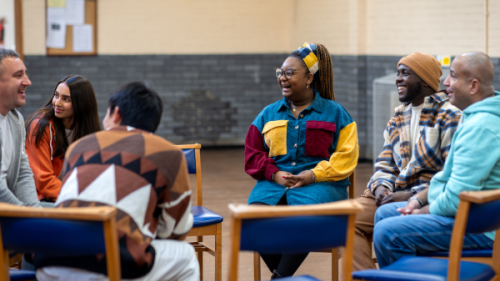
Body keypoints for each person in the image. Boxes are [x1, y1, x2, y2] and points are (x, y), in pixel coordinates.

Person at [34, 82, 199, 281]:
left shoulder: (78, 147)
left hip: (49, 262)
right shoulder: (169, 153)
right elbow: (177, 230)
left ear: (116, 113)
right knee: (187, 256)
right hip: (111, 265)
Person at [373, 52, 500, 268]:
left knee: (390, 233)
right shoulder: (472, 116)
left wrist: (421, 212)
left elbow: (456, 198)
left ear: (473, 86)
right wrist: (419, 199)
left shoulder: (480, 127)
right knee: (385, 212)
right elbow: (446, 177)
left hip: (482, 226)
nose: (446, 82)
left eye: (453, 76)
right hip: (469, 212)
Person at [244, 42, 359, 278]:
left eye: (289, 73)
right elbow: (252, 154)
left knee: (306, 221)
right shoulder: (268, 114)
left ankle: (278, 278)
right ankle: (283, 278)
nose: (282, 78)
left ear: (309, 78)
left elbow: (347, 157)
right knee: (252, 219)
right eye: (281, 73)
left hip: (320, 186)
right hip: (275, 186)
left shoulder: (336, 113)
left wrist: (313, 175)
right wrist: (274, 174)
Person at [351, 52, 461, 271]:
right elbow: (385, 163)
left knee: (390, 226)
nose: (398, 79)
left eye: (405, 73)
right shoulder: (397, 117)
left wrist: (411, 195)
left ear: (425, 80)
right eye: (398, 73)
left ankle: (399, 273)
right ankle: (370, 277)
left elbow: (450, 174)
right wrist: (382, 187)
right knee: (345, 220)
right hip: (390, 194)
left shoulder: (450, 115)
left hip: (426, 198)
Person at [25, 75, 101, 202]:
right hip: (42, 198)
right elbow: (44, 181)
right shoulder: (40, 126)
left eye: (66, 99)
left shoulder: (88, 131)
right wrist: (80, 199)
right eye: (56, 95)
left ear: (81, 104)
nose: (57, 103)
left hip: (69, 195)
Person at [0, 49, 40, 207]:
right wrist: (29, 217)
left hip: (12, 212)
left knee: (70, 212)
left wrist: (35, 210)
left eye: (25, 74)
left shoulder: (15, 119)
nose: (28, 82)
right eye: (18, 75)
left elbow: (22, 173)